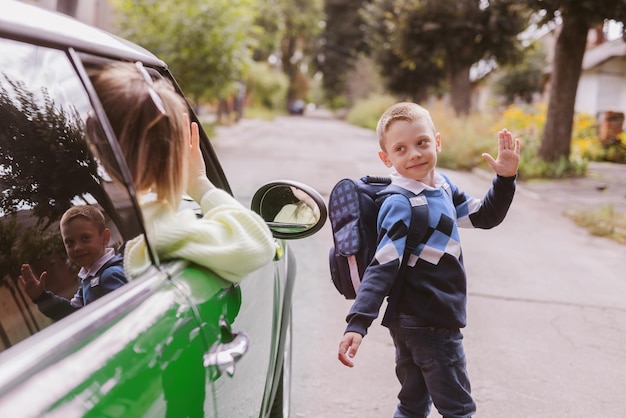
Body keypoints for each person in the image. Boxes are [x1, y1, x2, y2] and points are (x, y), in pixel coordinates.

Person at [337, 102, 521, 418]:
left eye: (421, 143)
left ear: (437, 141)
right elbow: (383, 265)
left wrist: (505, 179)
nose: (414, 154)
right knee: (458, 409)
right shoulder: (400, 202)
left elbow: (484, 216)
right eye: (401, 148)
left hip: (413, 320)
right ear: (386, 158)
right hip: (430, 321)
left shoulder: (443, 186)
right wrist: (358, 322)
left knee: (413, 405)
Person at [88, 62, 275, 282]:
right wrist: (198, 182)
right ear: (174, 158)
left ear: (100, 154)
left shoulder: (117, 223)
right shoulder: (167, 233)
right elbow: (260, 243)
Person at [19, 205, 127, 321]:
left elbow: (128, 315)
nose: (77, 247)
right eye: (70, 242)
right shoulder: (89, 278)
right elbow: (73, 314)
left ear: (105, 238)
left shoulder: (110, 275)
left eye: (85, 238)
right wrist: (41, 297)